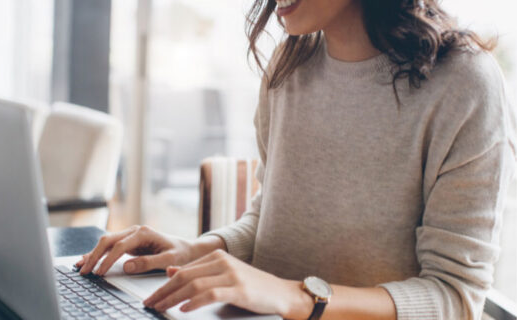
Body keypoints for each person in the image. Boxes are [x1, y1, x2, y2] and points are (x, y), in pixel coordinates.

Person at [77, 0, 516, 319]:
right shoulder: (289, 62)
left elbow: (455, 298)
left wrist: (296, 297)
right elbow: (269, 219)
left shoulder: (465, 84)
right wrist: (198, 248)